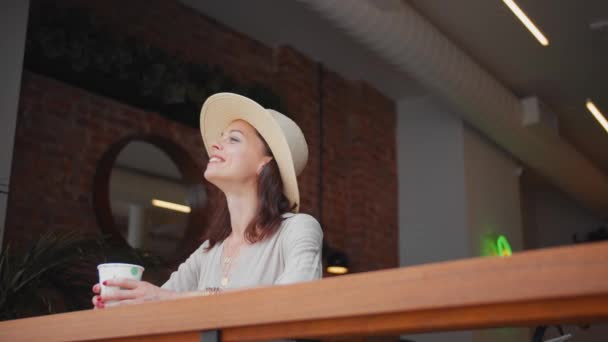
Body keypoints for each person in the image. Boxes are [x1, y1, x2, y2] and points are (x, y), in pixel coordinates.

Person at [92, 93, 323, 309]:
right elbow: (158, 306)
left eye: (233, 139)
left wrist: (170, 298)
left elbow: (298, 298)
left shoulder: (297, 228)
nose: (215, 145)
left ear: (264, 163)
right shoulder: (209, 251)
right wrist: (124, 303)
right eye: (221, 138)